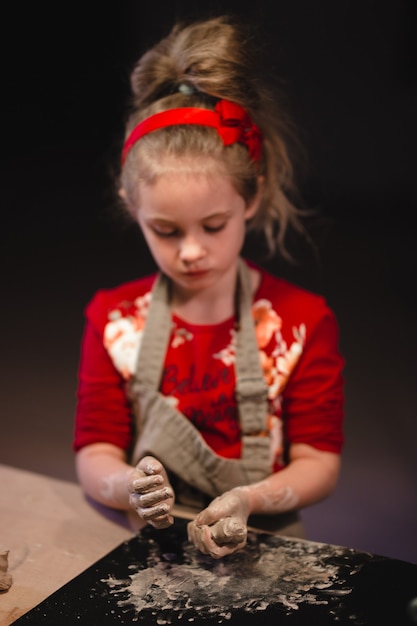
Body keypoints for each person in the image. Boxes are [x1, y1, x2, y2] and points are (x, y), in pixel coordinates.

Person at [73, 15, 344, 559]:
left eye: (213, 226)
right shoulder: (114, 319)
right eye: (166, 231)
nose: (191, 250)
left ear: (252, 197)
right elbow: (93, 452)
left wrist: (249, 497)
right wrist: (129, 485)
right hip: (147, 546)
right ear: (134, 210)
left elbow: (319, 463)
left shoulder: (300, 322)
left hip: (261, 538)